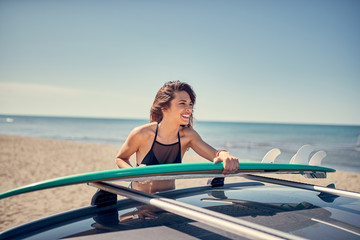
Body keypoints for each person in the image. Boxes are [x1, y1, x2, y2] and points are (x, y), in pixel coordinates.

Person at [116, 81, 239, 193]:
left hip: (169, 201)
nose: (189, 109)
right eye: (182, 103)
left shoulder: (188, 136)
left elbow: (215, 155)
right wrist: (135, 174)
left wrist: (224, 154)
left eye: (190, 104)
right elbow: (121, 158)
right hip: (138, 201)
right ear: (164, 107)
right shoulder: (142, 133)